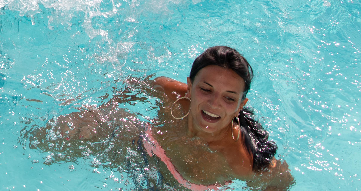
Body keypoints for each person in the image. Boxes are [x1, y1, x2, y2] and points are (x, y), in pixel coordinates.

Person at [29, 46, 293, 190]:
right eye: (206, 89)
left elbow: (280, 182)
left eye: (228, 98)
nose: (214, 104)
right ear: (189, 86)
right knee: (52, 135)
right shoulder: (170, 94)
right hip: (142, 151)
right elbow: (132, 85)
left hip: (180, 188)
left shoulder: (238, 160)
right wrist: (100, 111)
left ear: (240, 106)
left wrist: (276, 176)